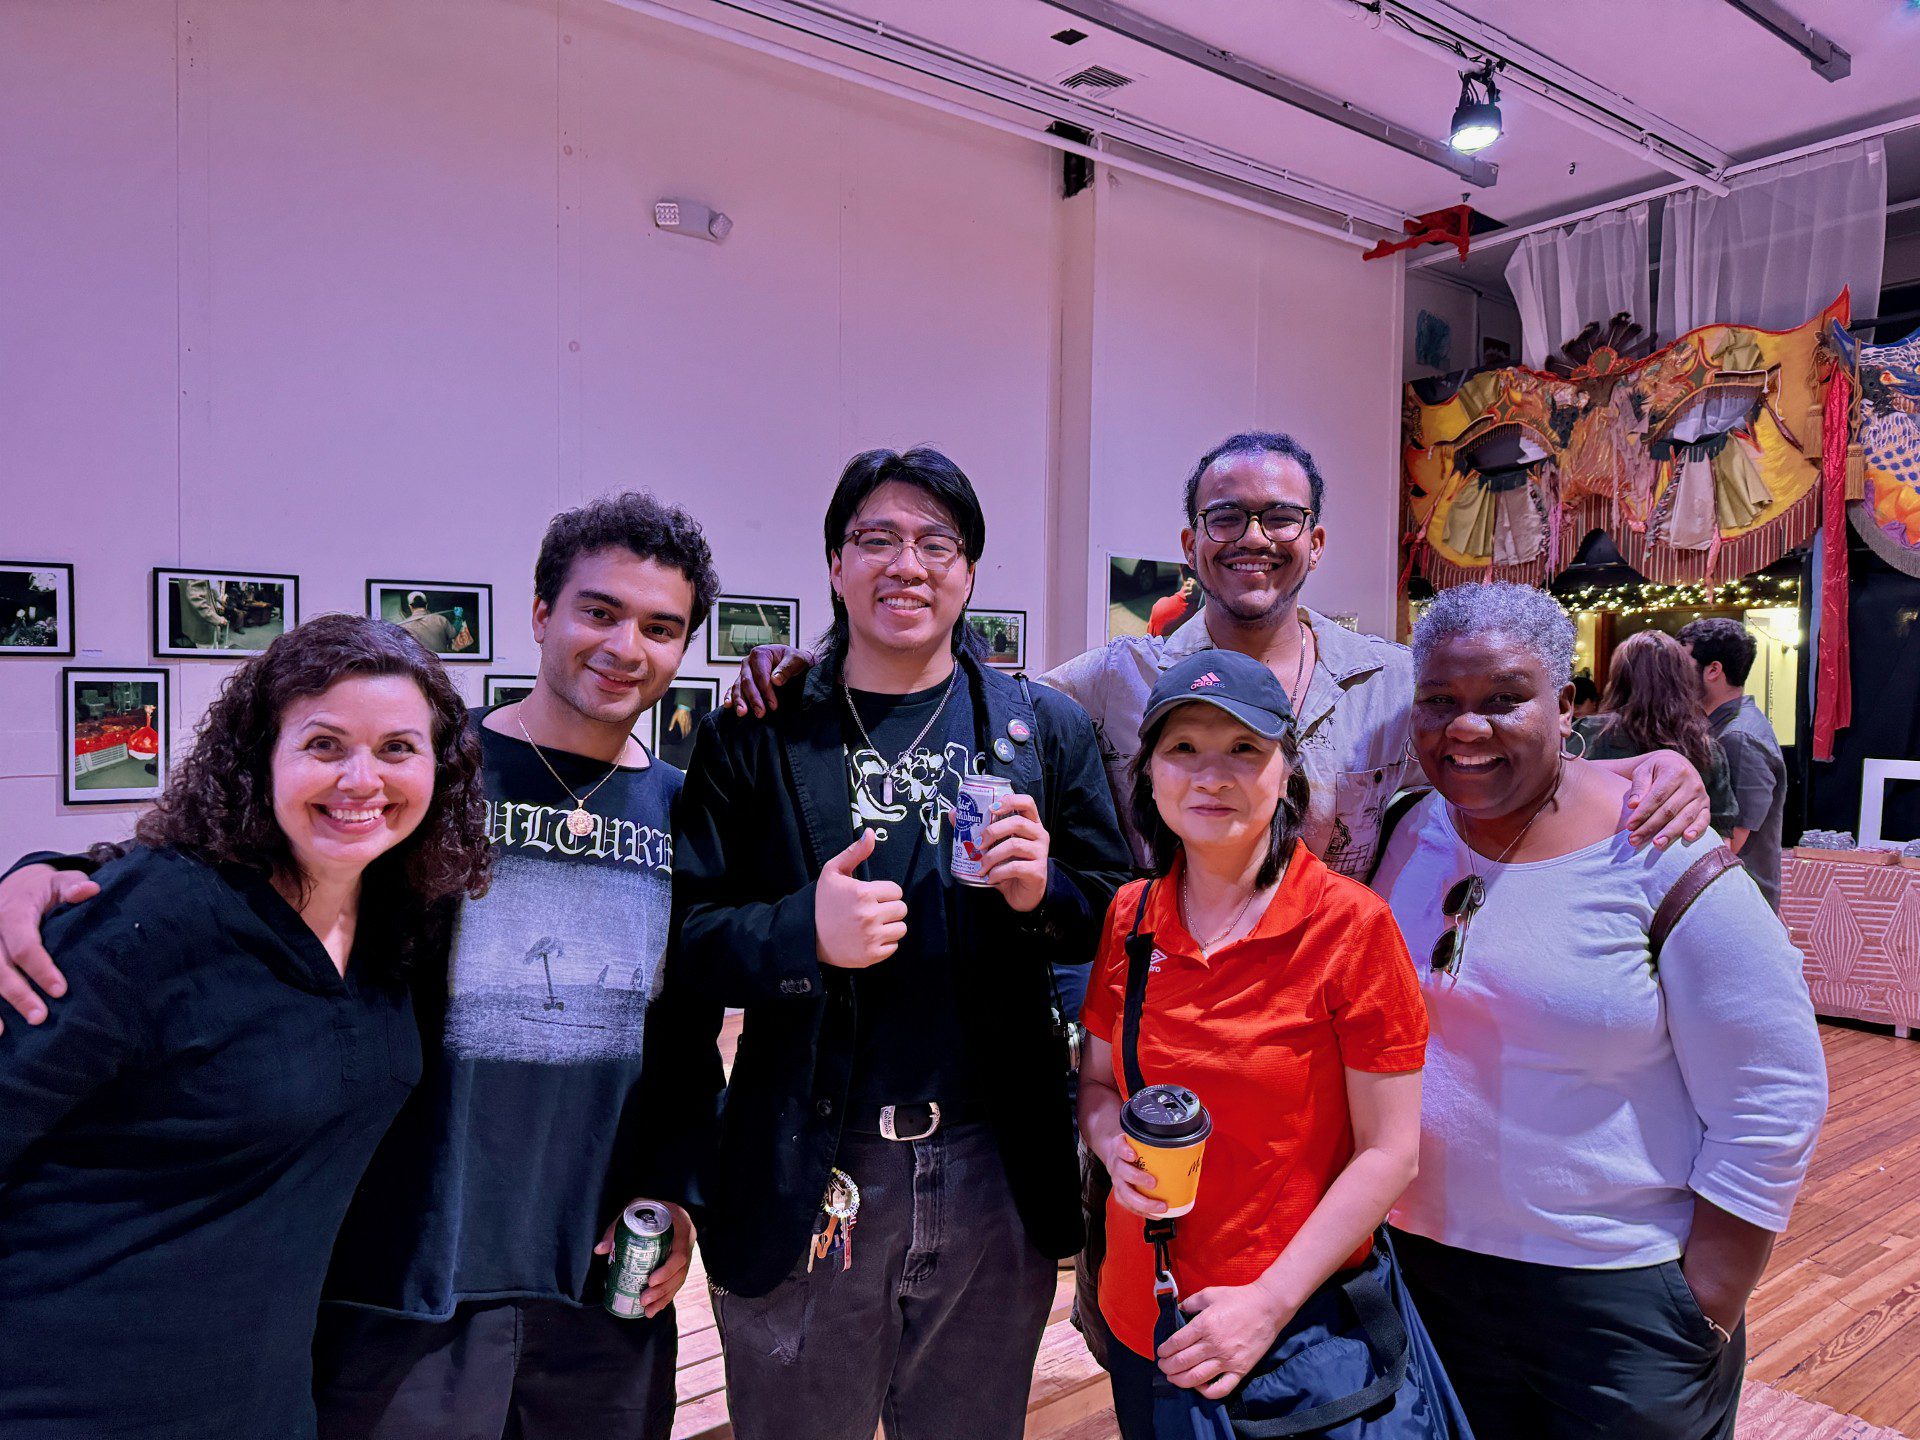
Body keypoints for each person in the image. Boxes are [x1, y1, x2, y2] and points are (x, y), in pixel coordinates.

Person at [0, 493, 726, 1440]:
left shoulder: (682, 809)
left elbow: (681, 1032)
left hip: (591, 1284)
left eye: (661, 626)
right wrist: (51, 873)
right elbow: (248, 860)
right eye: (599, 610)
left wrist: (674, 1188)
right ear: (542, 612)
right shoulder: (430, 769)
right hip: (397, 1282)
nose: (625, 645)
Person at [674, 446, 1133, 1440]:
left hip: (989, 1170)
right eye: (876, 539)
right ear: (835, 564)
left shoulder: (1040, 729)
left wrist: (1041, 890)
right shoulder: (757, 729)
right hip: (807, 1161)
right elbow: (684, 943)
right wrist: (801, 932)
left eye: (937, 543)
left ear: (970, 570)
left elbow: (1119, 917)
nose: (907, 565)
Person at [0, 613, 493, 1439]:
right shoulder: (153, 915)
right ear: (261, 756)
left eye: (397, 749)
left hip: (259, 1398)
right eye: (325, 745)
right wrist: (36, 875)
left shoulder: (400, 925)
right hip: (69, 1395)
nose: (361, 780)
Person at [1375, 582, 1828, 1440]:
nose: (1467, 727)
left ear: (1567, 705)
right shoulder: (1406, 830)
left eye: (1505, 699)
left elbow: (1775, 1091)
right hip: (1418, 1275)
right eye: (1439, 701)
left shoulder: (1660, 850)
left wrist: (1707, 1304)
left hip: (1612, 1291)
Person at [1080, 649, 1467, 1439]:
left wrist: (1267, 1303)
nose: (1210, 776)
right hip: (1140, 1312)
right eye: (1182, 749)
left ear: (1287, 775)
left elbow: (1391, 1153)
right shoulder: (1131, 916)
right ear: (1148, 773)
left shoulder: (1351, 926)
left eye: (1244, 751)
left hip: (1294, 1329)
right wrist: (1106, 1142)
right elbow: (1097, 1085)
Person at [1576, 630, 1738, 836]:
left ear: (1618, 679)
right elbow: (1723, 836)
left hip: (1596, 859)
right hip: (1677, 864)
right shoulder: (1706, 748)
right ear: (1683, 680)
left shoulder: (1588, 733)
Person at [1678, 617, 1788, 912]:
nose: (1675, 675)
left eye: (1682, 665)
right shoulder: (1720, 728)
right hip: (1722, 895)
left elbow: (1731, 841)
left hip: (1738, 904)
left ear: (1713, 670)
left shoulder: (1739, 737)